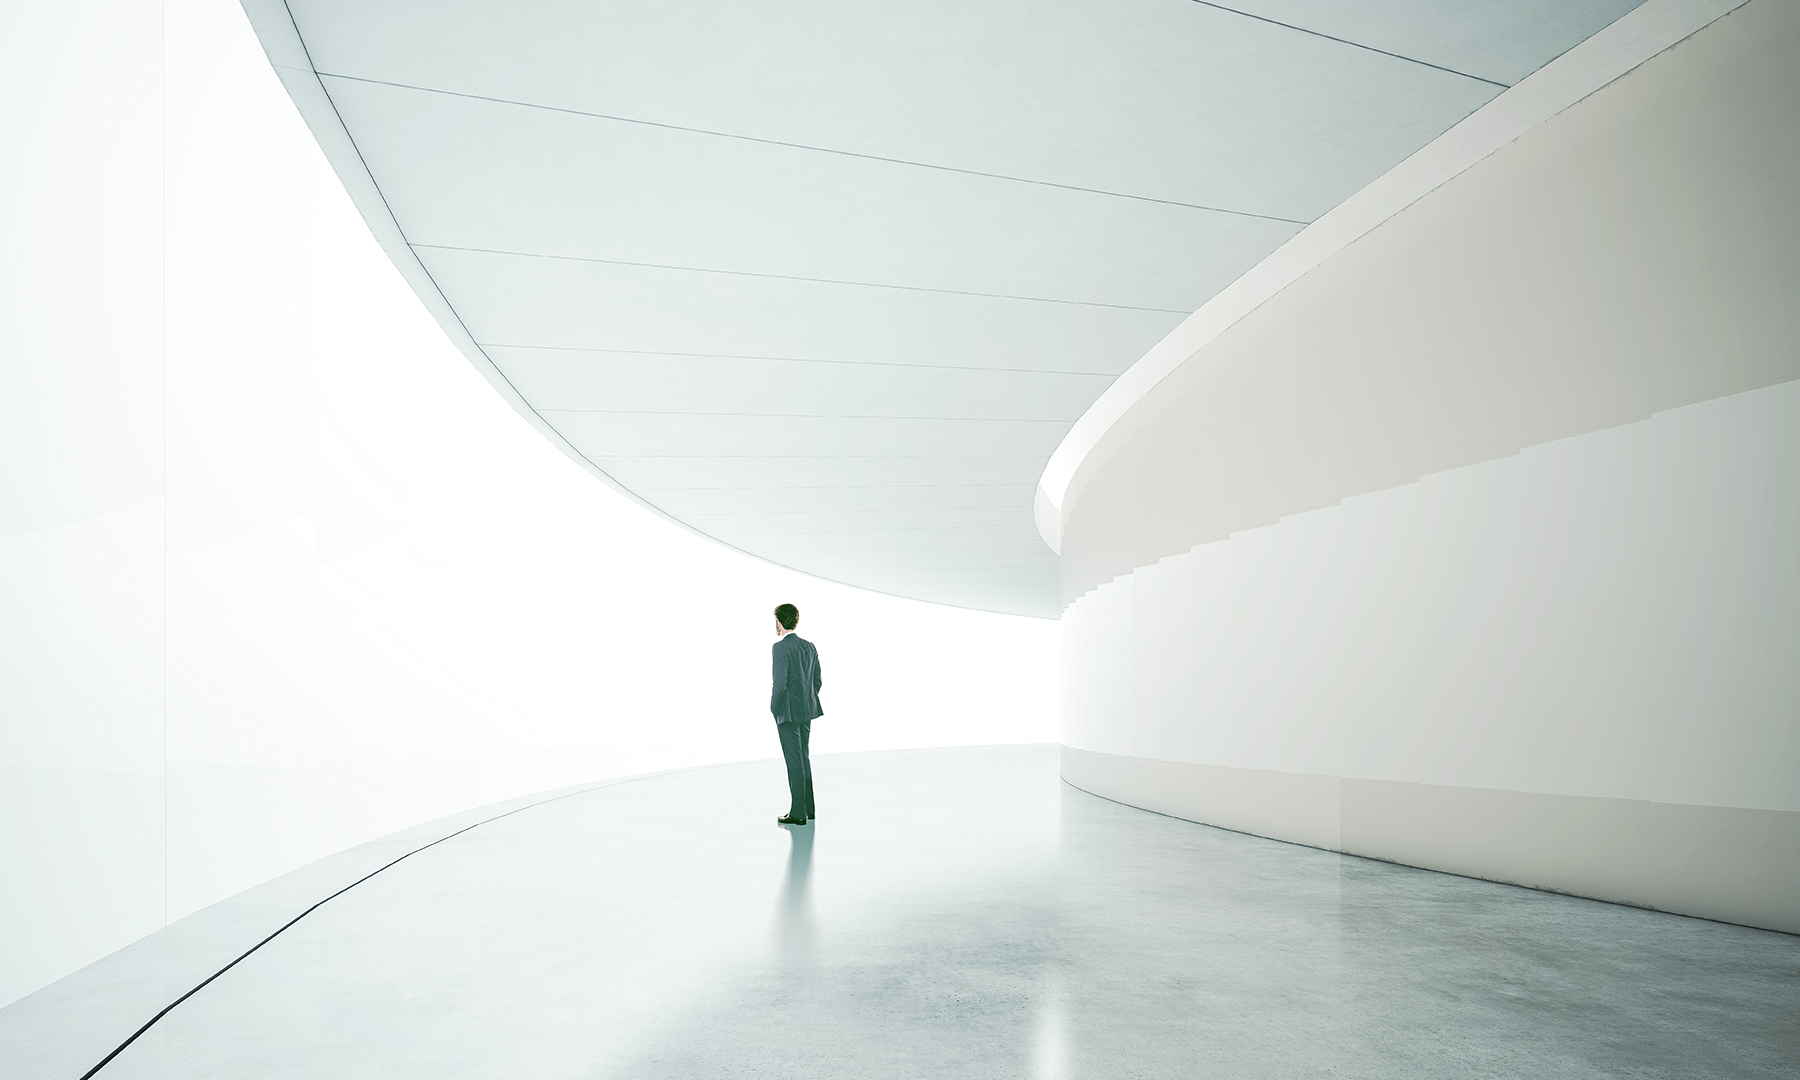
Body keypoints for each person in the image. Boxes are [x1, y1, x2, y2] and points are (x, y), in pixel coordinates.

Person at [770, 603, 822, 827]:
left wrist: (775, 708)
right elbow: (817, 680)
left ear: (779, 623)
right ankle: (809, 809)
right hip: (807, 711)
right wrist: (807, 699)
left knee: (794, 762)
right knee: (803, 758)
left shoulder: (780, 648)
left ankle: (798, 813)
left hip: (788, 714)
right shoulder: (809, 647)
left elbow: (779, 684)